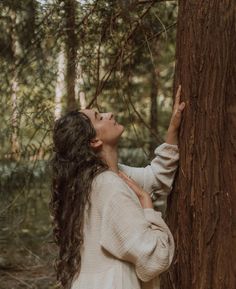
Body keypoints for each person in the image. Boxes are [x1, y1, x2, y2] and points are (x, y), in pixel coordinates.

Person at [50, 85, 185, 289]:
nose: (109, 114)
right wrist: (148, 207)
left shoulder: (95, 179)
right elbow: (155, 259)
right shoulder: (110, 186)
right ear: (94, 141)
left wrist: (173, 129)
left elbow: (156, 177)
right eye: (99, 117)